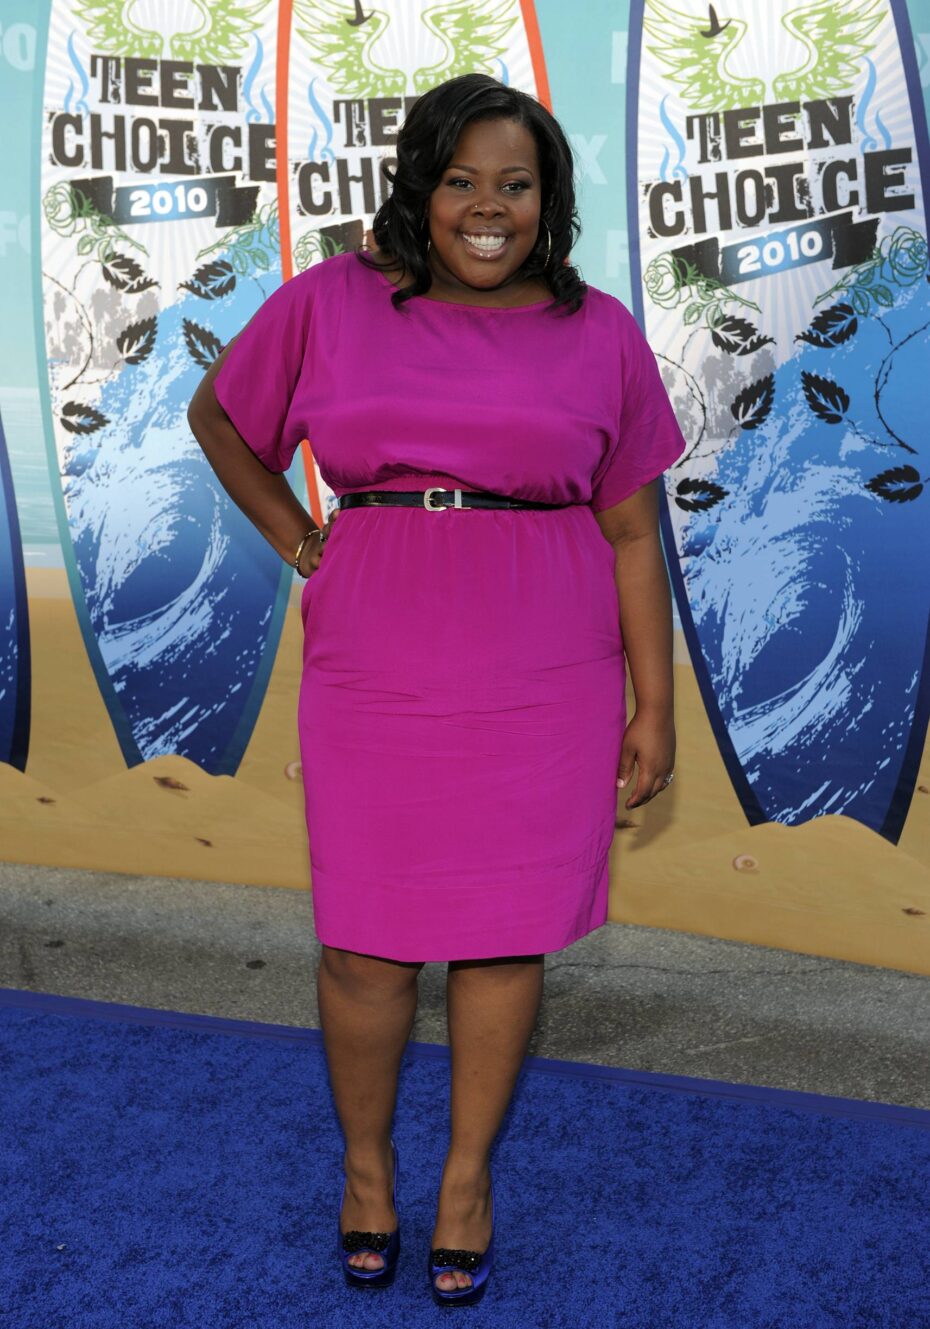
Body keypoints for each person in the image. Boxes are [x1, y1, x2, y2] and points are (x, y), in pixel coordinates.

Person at [187, 72, 685, 1306]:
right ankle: (366, 1173)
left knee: (506, 934)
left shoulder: (601, 330)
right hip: (380, 653)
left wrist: (655, 704)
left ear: (546, 200)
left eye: (514, 185)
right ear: (422, 184)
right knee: (364, 944)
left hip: (547, 670)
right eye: (460, 180)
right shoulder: (333, 301)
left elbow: (632, 534)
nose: (486, 209)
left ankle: (466, 1179)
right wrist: (304, 539)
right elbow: (219, 417)